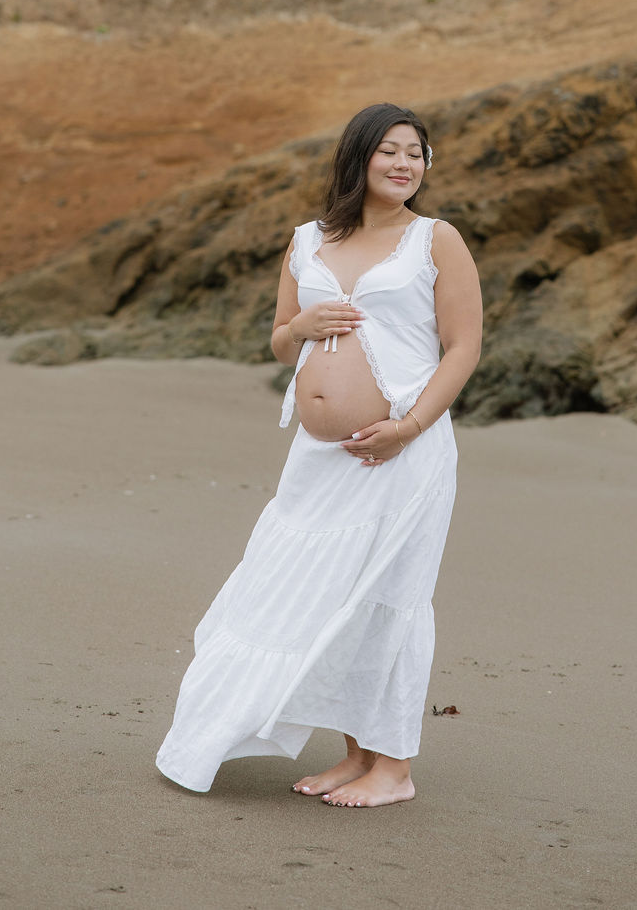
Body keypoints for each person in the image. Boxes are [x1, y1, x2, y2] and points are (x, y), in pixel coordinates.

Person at [155, 102, 483, 808]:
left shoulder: (436, 239)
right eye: (390, 150)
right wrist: (301, 324)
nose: (405, 163)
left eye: (417, 152)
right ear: (358, 157)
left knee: (386, 599)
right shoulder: (306, 241)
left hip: (401, 453)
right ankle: (354, 755)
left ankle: (393, 769)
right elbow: (280, 340)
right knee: (318, 595)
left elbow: (464, 347)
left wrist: (410, 426)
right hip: (317, 459)